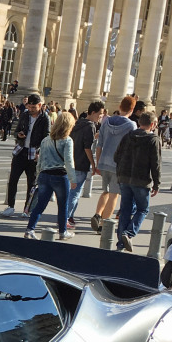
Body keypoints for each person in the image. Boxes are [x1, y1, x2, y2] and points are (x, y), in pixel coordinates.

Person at [112, 110, 162, 252]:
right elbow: (156, 163)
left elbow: (117, 156)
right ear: (152, 124)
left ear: (140, 123)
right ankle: (129, 233)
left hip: (124, 177)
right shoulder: (153, 139)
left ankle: (120, 243)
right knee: (142, 209)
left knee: (125, 209)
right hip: (141, 179)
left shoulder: (128, 136)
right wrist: (157, 183)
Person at [25, 110, 77, 240]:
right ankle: (62, 232)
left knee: (40, 204)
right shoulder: (67, 140)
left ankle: (30, 229)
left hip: (44, 174)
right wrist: (73, 178)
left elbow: (40, 160)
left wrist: (38, 175)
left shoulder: (46, 140)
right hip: (60, 175)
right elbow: (69, 160)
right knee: (63, 205)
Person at [91, 95, 137, 230]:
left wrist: (98, 162)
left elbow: (99, 144)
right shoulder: (131, 125)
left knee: (105, 191)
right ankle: (104, 223)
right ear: (132, 109)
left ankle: (98, 214)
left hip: (104, 161)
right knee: (114, 195)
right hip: (119, 165)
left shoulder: (107, 121)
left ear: (119, 107)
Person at [1, 93, 48, 216]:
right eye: (29, 107)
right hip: (21, 150)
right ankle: (10, 206)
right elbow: (16, 131)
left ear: (40, 105)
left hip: (34, 154)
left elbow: (46, 137)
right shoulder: (25, 115)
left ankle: (27, 209)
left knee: (31, 183)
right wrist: (19, 135)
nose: (31, 110)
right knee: (13, 180)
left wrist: (40, 153)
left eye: (34, 107)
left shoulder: (45, 118)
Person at [69, 100, 104, 230]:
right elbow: (87, 147)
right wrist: (93, 164)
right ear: (93, 112)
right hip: (81, 163)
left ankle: (69, 216)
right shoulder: (90, 126)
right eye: (100, 114)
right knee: (75, 193)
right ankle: (66, 218)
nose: (101, 116)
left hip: (71, 161)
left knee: (71, 192)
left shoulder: (78, 123)